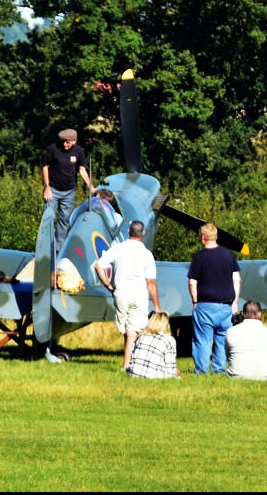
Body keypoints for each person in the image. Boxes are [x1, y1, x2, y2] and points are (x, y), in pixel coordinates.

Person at [94, 220, 161, 369]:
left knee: (128, 332)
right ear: (143, 233)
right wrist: (157, 305)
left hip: (120, 294)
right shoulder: (146, 254)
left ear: (129, 231)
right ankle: (129, 365)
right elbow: (150, 282)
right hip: (138, 295)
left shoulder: (118, 249)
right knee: (133, 332)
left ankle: (129, 363)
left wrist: (108, 285)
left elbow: (98, 266)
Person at [187, 223, 241, 375]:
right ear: (216, 236)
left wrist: (195, 301)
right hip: (226, 306)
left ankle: (201, 370)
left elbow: (192, 282)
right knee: (222, 340)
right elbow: (236, 279)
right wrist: (235, 302)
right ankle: (219, 370)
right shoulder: (229, 254)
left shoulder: (199, 257)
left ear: (203, 237)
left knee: (202, 340)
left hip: (205, 305)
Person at [41, 128, 95, 253]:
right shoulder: (53, 148)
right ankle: (45, 250)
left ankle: (58, 250)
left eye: (68, 142)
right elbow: (45, 166)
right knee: (48, 218)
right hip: (53, 190)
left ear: (74, 141)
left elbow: (82, 169)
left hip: (69, 192)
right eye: (63, 141)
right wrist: (47, 187)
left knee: (64, 220)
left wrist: (91, 187)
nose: (65, 144)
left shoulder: (78, 151)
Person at [225, 300, 267, 380]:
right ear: (260, 315)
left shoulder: (230, 331)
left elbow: (228, 355)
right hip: (265, 377)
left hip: (235, 377)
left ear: (242, 314)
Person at [125, 311, 180, 378]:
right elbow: (170, 368)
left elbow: (132, 358)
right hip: (155, 376)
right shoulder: (169, 340)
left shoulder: (141, 337)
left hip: (134, 373)